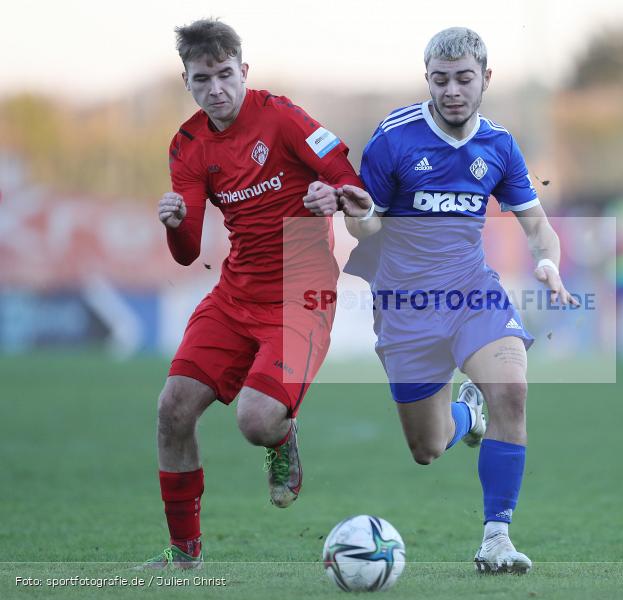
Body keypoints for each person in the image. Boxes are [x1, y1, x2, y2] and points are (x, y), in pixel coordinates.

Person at [340, 27, 579, 574]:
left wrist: (548, 260)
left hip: (472, 292)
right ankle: (465, 417)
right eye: (440, 79)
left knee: (512, 390)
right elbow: (367, 229)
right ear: (427, 79)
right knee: (427, 448)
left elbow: (540, 230)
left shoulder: (498, 145)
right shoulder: (393, 139)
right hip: (404, 307)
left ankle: (496, 539)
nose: (451, 90)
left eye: (463, 79)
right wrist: (356, 211)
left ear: (485, 80)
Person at [142, 18, 362, 569]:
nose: (215, 88)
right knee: (172, 409)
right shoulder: (188, 145)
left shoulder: (282, 117)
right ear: (186, 82)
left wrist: (331, 194)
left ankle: (281, 436)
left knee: (256, 422)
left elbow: (347, 177)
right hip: (235, 294)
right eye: (201, 79)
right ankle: (183, 554)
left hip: (302, 292)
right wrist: (174, 223)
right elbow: (189, 252)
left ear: (244, 71)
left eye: (224, 74)